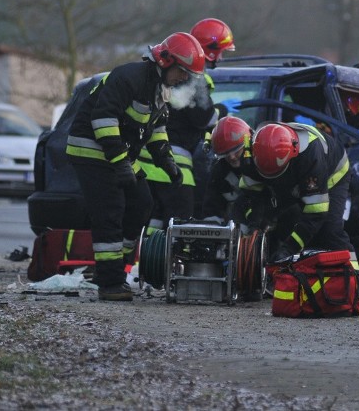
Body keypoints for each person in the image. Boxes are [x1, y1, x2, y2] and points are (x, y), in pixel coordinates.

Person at [65, 32, 206, 301]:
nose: (184, 79)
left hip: (117, 155)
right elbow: (103, 120)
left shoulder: (159, 89)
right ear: (166, 61)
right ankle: (109, 283)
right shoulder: (129, 77)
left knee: (142, 202)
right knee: (110, 209)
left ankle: (112, 268)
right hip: (91, 151)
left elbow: (156, 129)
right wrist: (121, 164)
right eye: (182, 72)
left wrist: (167, 163)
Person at [140, 18, 240, 232]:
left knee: (157, 216)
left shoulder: (174, 71)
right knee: (181, 220)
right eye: (220, 51)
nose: (220, 58)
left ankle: (146, 259)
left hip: (148, 159)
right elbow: (204, 120)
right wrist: (222, 111)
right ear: (209, 49)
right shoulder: (194, 77)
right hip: (174, 160)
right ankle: (170, 264)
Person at [242, 121, 356, 266]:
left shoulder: (311, 155)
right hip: (293, 174)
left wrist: (289, 248)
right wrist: (255, 225)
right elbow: (250, 195)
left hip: (332, 174)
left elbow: (316, 212)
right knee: (280, 220)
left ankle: (355, 276)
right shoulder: (251, 152)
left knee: (330, 230)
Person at [202, 115, 254, 229]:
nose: (232, 157)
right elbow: (211, 207)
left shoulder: (261, 162)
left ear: (247, 144)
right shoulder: (219, 172)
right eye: (226, 153)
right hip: (236, 230)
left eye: (236, 150)